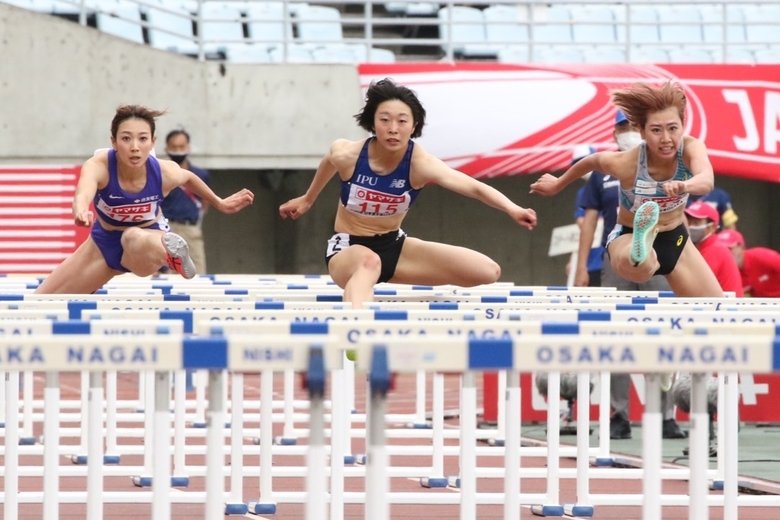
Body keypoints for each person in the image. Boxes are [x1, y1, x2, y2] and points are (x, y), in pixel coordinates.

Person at [531, 80, 725, 435]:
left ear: (683, 126)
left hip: (677, 240)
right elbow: (590, 161)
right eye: (656, 130)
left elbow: (707, 180)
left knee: (716, 313)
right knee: (642, 265)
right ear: (641, 131)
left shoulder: (692, 148)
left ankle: (672, 355)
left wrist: (684, 186)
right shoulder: (624, 162)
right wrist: (557, 184)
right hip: (626, 236)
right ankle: (643, 237)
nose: (666, 138)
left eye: (672, 128)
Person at [278, 78, 537, 308]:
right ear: (373, 123)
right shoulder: (349, 154)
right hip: (349, 248)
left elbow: (473, 187)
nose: (393, 129)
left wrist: (512, 208)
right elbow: (329, 161)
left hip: (394, 246)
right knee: (368, 262)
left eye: (402, 121)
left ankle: (373, 282)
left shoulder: (419, 164)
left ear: (413, 126)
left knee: (487, 271)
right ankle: (357, 340)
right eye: (385, 120)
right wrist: (308, 198)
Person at [34, 104, 254, 294]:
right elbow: (83, 192)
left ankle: (169, 253)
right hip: (103, 243)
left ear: (152, 142)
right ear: (114, 141)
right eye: (126, 139)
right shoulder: (99, 166)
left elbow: (187, 177)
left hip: (145, 242)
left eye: (142, 139)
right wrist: (80, 209)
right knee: (40, 301)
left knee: (132, 236)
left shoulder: (163, 171)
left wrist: (219, 202)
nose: (135, 147)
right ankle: (165, 251)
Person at [572, 109, 683, 440]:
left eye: (631, 126)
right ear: (614, 132)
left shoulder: (668, 162)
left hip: (663, 255)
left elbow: (681, 214)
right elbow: (588, 222)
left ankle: (665, 414)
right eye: (621, 126)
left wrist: (684, 258)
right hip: (616, 255)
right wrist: (580, 267)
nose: (627, 131)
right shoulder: (604, 171)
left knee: (664, 333)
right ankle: (619, 412)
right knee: (618, 335)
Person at [161, 129, 211, 274]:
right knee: (168, 274)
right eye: (174, 147)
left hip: (191, 229)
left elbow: (206, 200)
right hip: (168, 229)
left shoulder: (201, 174)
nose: (178, 151)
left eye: (181, 147)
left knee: (198, 271)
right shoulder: (161, 173)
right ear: (167, 148)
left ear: (188, 147)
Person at [684, 201, 743, 296]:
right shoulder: (706, 247)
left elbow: (695, 286)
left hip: (725, 308)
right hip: (718, 306)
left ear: (712, 227)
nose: (691, 226)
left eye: (696, 222)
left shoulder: (713, 249)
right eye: (689, 221)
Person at [568, 145, 603, 287]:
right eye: (578, 163)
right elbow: (581, 226)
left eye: (585, 160)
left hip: (609, 258)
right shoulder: (582, 193)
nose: (583, 166)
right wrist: (573, 259)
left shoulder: (611, 184)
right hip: (589, 262)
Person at [718, 229, 780, 297]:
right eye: (721, 250)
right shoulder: (725, 273)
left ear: (741, 247)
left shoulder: (761, 256)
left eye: (729, 248)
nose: (726, 253)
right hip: (761, 305)